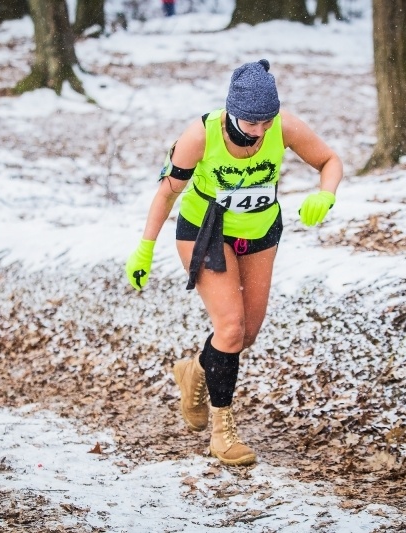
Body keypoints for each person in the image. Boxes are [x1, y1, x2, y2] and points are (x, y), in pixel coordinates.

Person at [125, 60, 342, 466]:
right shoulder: (200, 135)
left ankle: (194, 370)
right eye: (250, 121)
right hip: (206, 231)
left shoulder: (285, 127)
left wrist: (325, 194)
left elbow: (330, 161)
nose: (259, 130)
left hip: (260, 233)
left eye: (266, 120)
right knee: (230, 327)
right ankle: (221, 433)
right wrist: (145, 248)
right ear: (231, 111)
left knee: (246, 334)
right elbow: (167, 194)